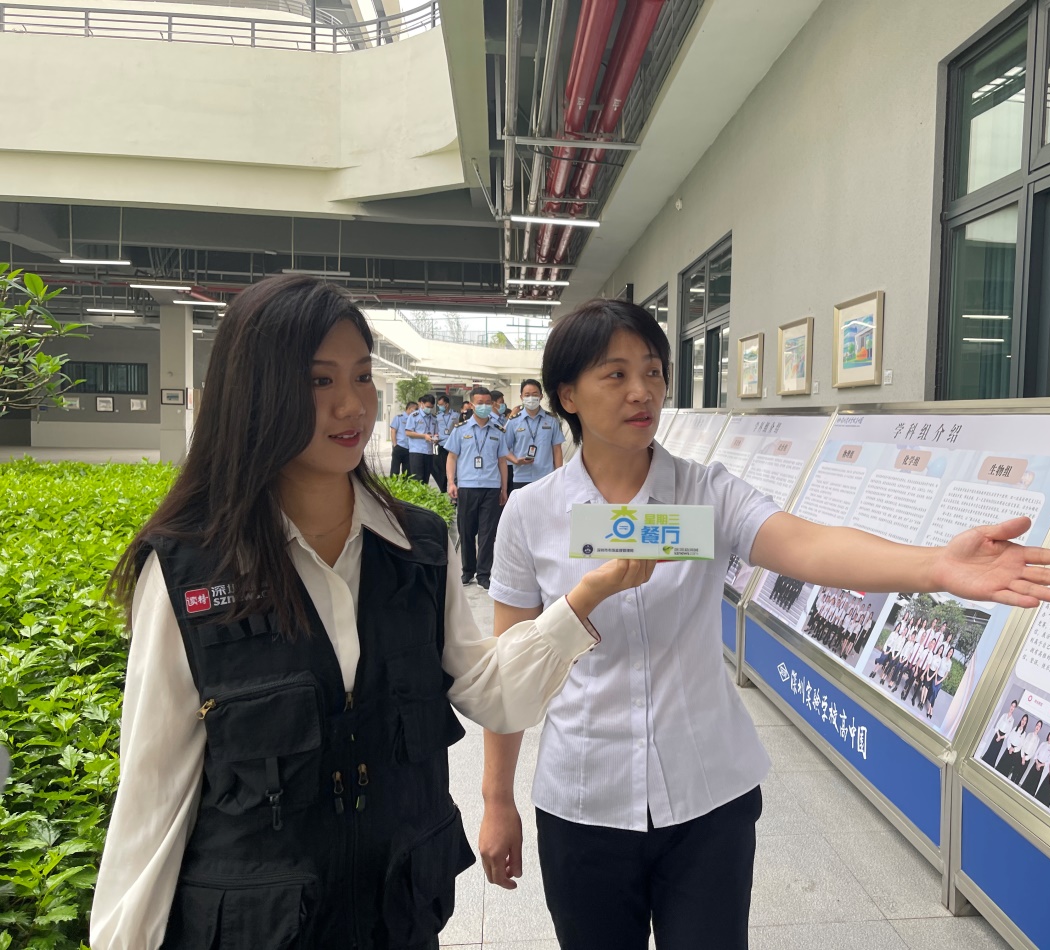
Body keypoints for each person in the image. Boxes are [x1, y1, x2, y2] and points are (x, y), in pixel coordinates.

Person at [475, 298, 1050, 950]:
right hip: (583, 799)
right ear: (567, 394)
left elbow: (806, 544)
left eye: (652, 371)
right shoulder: (531, 515)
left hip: (707, 798)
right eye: (615, 374)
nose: (641, 391)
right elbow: (510, 674)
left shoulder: (706, 493)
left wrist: (934, 565)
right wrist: (496, 800)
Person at [90, 276, 655, 950]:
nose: (352, 404)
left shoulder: (418, 547)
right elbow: (154, 795)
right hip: (261, 927)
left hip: (397, 916)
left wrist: (585, 598)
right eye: (318, 380)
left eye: (361, 376)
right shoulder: (190, 571)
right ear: (255, 393)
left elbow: (492, 694)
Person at [444, 386, 506, 589]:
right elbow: (452, 457)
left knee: (487, 533)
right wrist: (451, 482)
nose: (484, 406)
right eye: (480, 403)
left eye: (488, 403)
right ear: (471, 404)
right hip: (467, 486)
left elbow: (502, 461)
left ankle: (484, 574)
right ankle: (468, 571)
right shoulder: (460, 430)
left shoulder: (498, 431)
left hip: (491, 487)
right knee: (466, 531)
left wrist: (504, 489)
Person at [499, 378, 564, 502]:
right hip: (521, 478)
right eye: (527, 395)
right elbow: (503, 448)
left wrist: (558, 475)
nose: (531, 398)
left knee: (545, 512)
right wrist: (515, 460)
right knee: (523, 512)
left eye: (534, 394)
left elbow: (557, 450)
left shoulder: (552, 420)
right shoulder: (513, 422)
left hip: (546, 477)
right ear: (521, 397)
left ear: (541, 396)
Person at [405, 392, 443, 487]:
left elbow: (436, 433)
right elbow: (408, 432)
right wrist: (423, 436)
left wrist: (436, 438)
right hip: (417, 452)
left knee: (425, 480)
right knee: (417, 479)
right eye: (427, 406)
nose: (429, 409)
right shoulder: (414, 416)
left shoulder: (434, 418)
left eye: (431, 407)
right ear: (422, 403)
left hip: (429, 452)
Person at [1022, 728, 1050, 796]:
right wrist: (1037, 763)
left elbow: (1048, 761)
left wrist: (1040, 765)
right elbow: (1036, 754)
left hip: (1041, 767)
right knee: (1028, 780)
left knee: (1033, 785)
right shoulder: (1043, 743)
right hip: (1036, 763)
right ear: (1048, 735)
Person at [982, 700, 1018, 768]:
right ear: (1010, 706)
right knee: (991, 749)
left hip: (1002, 737)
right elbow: (997, 726)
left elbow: (1008, 732)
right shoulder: (1004, 715)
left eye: (1014, 707)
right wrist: (998, 735)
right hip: (997, 734)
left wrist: (1000, 737)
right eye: (1012, 705)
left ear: (1014, 708)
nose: (1012, 707)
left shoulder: (1012, 720)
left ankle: (990, 766)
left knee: (995, 752)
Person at [435, 393, 459, 489]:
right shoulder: (437, 416)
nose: (439, 406)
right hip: (442, 445)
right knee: (442, 469)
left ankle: (453, 486)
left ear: (447, 404)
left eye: (441, 404)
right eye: (438, 405)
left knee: (453, 468)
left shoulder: (456, 415)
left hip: (452, 446)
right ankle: (443, 489)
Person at [997, 713, 1029, 779]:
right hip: (1008, 749)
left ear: (1026, 723)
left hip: (1014, 753)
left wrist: (1013, 749)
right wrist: (1009, 747)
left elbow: (1020, 745)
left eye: (1025, 721)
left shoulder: (1024, 733)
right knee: (1001, 766)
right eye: (1023, 720)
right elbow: (1009, 738)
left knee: (1006, 770)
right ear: (1021, 720)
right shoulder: (1015, 728)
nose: (1023, 722)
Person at [388, 400, 416, 476]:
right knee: (395, 470)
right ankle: (393, 483)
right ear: (410, 408)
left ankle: (405, 483)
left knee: (407, 472)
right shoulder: (399, 418)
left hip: (409, 448)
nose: (416, 411)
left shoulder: (414, 419)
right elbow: (393, 431)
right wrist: (395, 445)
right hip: (399, 446)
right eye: (415, 409)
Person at [1014, 718, 1044, 785]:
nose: (1037, 727)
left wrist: (1026, 758)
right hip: (1021, 755)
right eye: (1037, 725)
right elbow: (1023, 745)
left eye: (1039, 726)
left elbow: (1033, 751)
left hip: (1027, 758)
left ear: (1040, 729)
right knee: (1015, 772)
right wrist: (1023, 756)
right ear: (1035, 726)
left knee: (1019, 776)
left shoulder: (1038, 739)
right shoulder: (1029, 734)